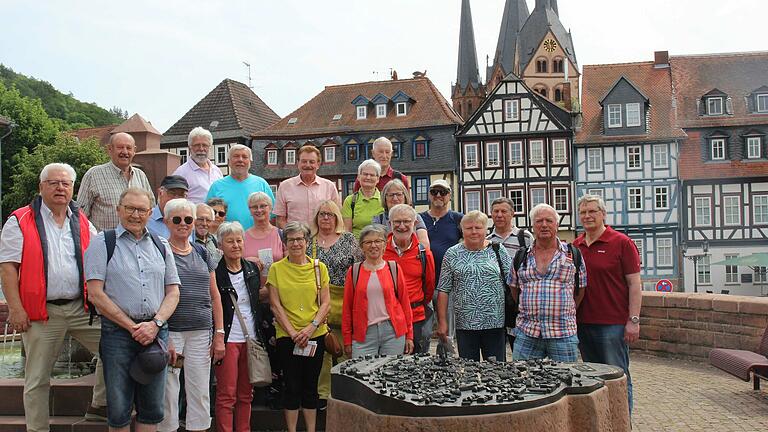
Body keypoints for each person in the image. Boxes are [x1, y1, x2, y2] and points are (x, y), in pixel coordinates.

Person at [0, 163, 106, 431]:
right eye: (53, 183)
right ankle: (38, 429)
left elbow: (98, 256)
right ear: (41, 187)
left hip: (81, 308)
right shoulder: (20, 219)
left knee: (113, 350)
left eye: (66, 183)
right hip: (41, 312)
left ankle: (99, 406)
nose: (60, 188)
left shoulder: (80, 219)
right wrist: (16, 308)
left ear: (73, 188)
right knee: (37, 379)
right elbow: (8, 267)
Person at [84, 187, 181, 431]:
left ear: (150, 213)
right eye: (130, 208)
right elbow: (95, 293)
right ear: (119, 210)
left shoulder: (161, 244)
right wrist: (132, 326)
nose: (135, 215)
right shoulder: (102, 243)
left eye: (141, 210)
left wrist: (155, 324)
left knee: (152, 410)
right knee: (118, 410)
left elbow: (173, 292)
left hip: (155, 332)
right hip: (117, 334)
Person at [157, 198, 225, 432]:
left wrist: (219, 333)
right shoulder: (159, 251)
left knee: (199, 390)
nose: (183, 224)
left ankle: (199, 428)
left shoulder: (202, 252)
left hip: (200, 332)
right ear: (166, 222)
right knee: (168, 390)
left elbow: (215, 295)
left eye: (188, 219)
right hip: (172, 332)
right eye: (177, 219)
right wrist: (162, 334)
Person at [573, 194, 641, 412]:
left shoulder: (621, 242)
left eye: (592, 211)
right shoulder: (576, 245)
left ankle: (623, 422)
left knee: (618, 377)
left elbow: (634, 284)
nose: (587, 216)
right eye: (583, 212)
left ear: (603, 214)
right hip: (583, 324)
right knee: (593, 380)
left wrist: (633, 320)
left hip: (612, 325)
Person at [267, 222, 330, 432]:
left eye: (300, 239)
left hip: (315, 334)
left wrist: (310, 328)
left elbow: (325, 303)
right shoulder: (276, 269)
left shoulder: (319, 268)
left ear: (306, 241)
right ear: (285, 243)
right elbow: (275, 305)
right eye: (291, 239)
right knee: (291, 386)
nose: (296, 243)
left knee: (310, 387)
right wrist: (293, 333)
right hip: (287, 336)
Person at [508, 203, 588, 363]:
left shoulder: (572, 254)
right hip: (527, 332)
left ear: (557, 225)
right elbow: (514, 289)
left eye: (549, 221)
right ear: (533, 226)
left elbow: (580, 291)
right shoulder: (521, 256)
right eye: (539, 221)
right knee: (522, 382)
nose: (544, 225)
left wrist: (563, 311)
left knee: (567, 382)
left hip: (563, 332)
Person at [308, 200, 362, 407]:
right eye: (322, 214)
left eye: (330, 214)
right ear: (316, 218)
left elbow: (358, 270)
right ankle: (323, 395)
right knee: (322, 352)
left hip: (344, 300)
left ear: (337, 217)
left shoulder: (348, 239)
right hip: (317, 301)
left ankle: (344, 395)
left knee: (344, 350)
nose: (326, 218)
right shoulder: (309, 241)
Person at [436, 211, 509, 361]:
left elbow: (511, 282)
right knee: (468, 371)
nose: (474, 231)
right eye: (469, 228)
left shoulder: (498, 250)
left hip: (494, 322)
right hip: (465, 324)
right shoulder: (452, 254)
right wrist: (442, 322)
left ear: (486, 229)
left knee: (496, 371)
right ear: (462, 230)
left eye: (478, 227)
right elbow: (443, 289)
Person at [214, 222, 262, 432]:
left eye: (239, 240)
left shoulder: (251, 269)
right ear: (220, 245)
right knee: (227, 394)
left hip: (251, 338)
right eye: (230, 241)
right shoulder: (216, 273)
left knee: (246, 393)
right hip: (228, 339)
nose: (235, 245)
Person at [342, 224, 414, 358]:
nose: (373, 245)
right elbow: (347, 308)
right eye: (368, 242)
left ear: (384, 245)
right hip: (364, 334)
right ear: (362, 247)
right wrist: (347, 339)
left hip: (393, 333)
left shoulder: (394, 268)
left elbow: (405, 303)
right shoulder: (354, 271)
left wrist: (409, 335)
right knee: (361, 375)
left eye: (378, 241)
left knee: (391, 375)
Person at [242, 191, 285, 409]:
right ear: (249, 210)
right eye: (254, 207)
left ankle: (278, 391)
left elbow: (288, 266)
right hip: (251, 300)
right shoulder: (244, 236)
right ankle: (258, 391)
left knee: (278, 346)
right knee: (256, 345)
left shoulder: (280, 234)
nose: (259, 211)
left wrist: (269, 290)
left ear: (270, 208)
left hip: (277, 299)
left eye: (263, 206)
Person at [383, 204, 435, 353]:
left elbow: (429, 287)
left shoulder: (424, 254)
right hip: (387, 318)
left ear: (415, 223)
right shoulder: (379, 252)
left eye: (407, 222)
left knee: (417, 366)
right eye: (397, 222)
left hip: (416, 316)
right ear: (389, 223)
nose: (402, 226)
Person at [77, 132, 154, 231]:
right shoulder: (93, 175)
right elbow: (80, 215)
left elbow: (151, 209)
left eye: (129, 148)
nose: (125, 152)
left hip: (136, 243)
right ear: (110, 149)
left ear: (134, 151)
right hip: (105, 243)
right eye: (120, 147)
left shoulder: (141, 176)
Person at [487, 196, 534, 350]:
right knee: (496, 349)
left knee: (520, 347)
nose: (499, 215)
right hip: (495, 301)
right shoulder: (486, 240)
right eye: (496, 211)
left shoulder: (525, 237)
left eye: (504, 211)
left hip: (518, 301)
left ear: (512, 214)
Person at [206, 144, 274, 230]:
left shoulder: (261, 184)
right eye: (236, 156)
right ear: (229, 161)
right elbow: (207, 216)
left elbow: (273, 215)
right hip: (228, 239)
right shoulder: (217, 187)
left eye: (244, 157)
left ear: (250, 162)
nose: (240, 160)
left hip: (258, 238)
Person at [274, 145, 341, 228]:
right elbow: (280, 220)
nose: (308, 165)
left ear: (318, 164)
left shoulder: (329, 187)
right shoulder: (285, 186)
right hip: (296, 239)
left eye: (312, 162)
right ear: (298, 163)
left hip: (322, 238)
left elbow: (337, 217)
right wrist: (291, 236)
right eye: (304, 161)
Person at [371, 179, 431, 249]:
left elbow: (424, 244)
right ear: (385, 198)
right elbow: (376, 245)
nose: (395, 198)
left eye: (399, 194)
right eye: (391, 195)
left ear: (405, 196)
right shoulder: (378, 219)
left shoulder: (416, 217)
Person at [173, 127, 223, 204]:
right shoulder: (181, 173)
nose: (201, 149)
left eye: (205, 145)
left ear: (210, 147)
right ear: (189, 147)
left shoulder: (217, 171)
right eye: (197, 145)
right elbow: (175, 203)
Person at [342, 159, 384, 238]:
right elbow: (347, 230)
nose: (368, 177)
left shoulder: (384, 200)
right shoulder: (350, 201)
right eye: (365, 174)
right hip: (357, 247)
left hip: (380, 246)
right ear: (358, 177)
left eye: (372, 175)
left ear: (378, 179)